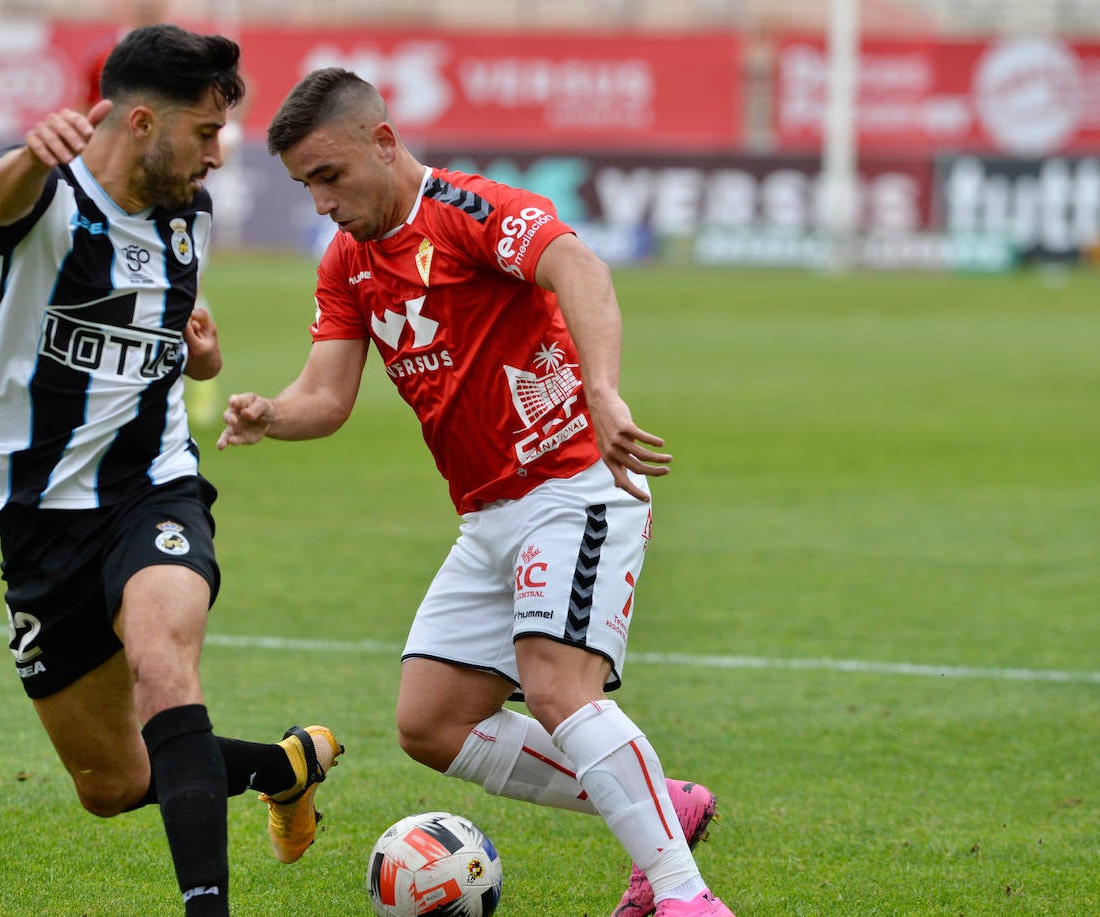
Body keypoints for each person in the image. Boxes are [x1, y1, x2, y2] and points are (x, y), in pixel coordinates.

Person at [218, 68, 734, 917]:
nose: (319, 202)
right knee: (432, 722)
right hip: (490, 513)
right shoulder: (348, 261)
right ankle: (662, 811)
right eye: (304, 185)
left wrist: (603, 392)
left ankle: (685, 896)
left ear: (383, 141)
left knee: (560, 686)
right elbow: (327, 397)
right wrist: (272, 412)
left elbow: (581, 267)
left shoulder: (465, 211)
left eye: (329, 175)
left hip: (576, 481)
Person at [0, 26, 341, 917]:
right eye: (206, 133)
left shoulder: (188, 218)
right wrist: (27, 153)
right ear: (140, 121)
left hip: (152, 488)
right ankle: (284, 767)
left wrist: (201, 361)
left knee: (164, 663)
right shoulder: (42, 200)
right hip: (39, 515)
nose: (220, 152)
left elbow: (165, 332)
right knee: (111, 782)